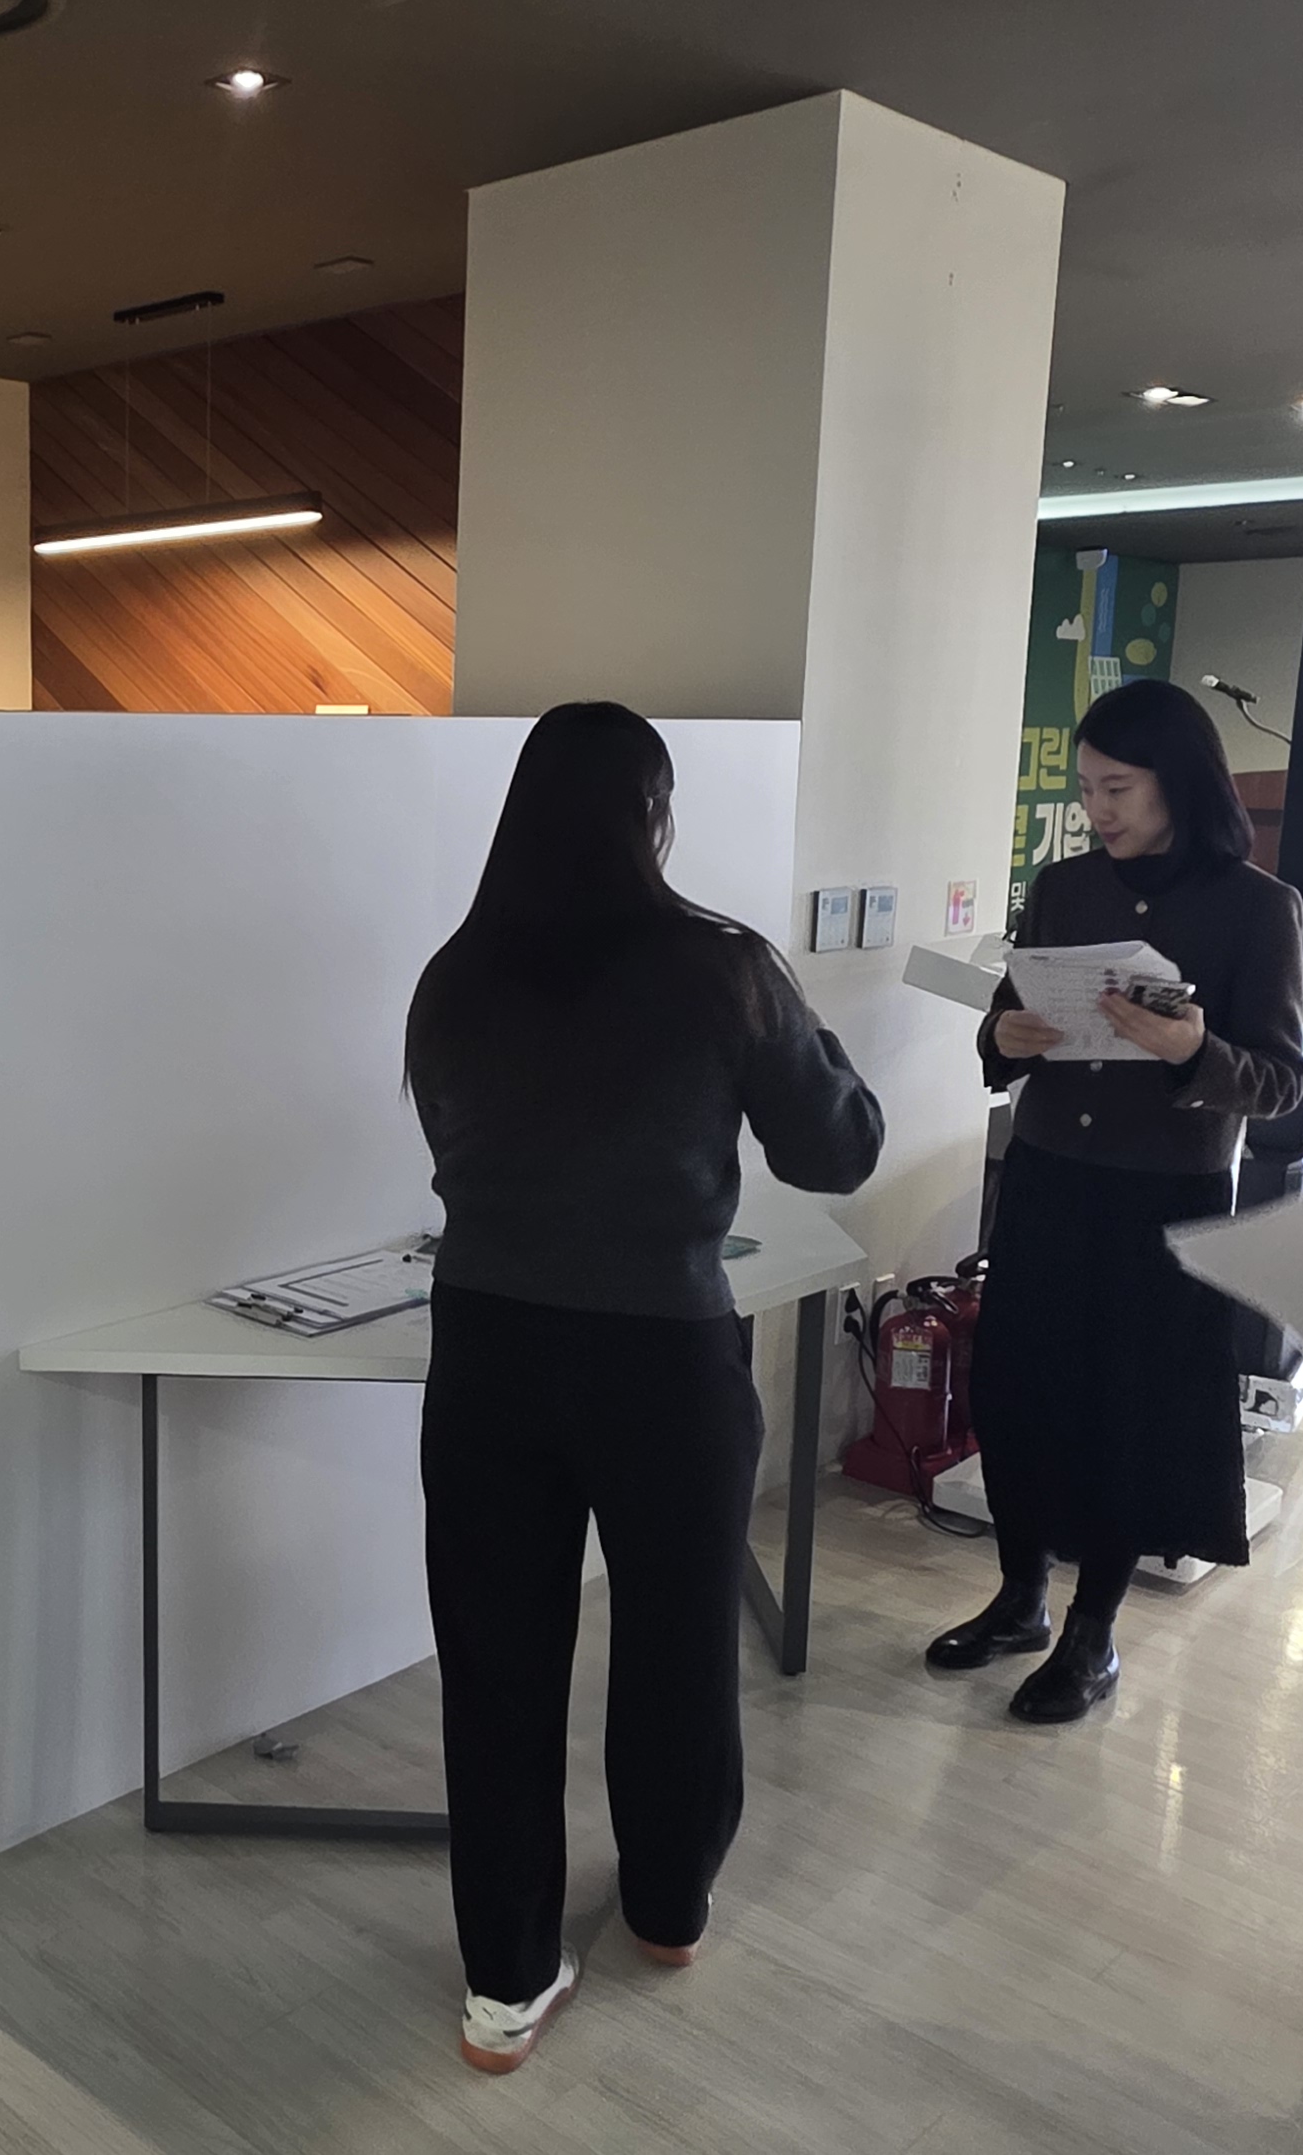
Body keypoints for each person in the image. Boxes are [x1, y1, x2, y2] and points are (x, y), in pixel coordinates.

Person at [401, 702, 884, 2077]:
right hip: (662, 1354)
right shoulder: (720, 967)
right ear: (651, 815)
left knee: (494, 1668)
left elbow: (465, 1152)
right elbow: (839, 1149)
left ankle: (505, 1983)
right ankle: (666, 1908)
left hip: (485, 1353)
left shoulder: (454, 975)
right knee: (676, 1645)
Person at [932, 678, 1303, 1722]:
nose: (1097, 809)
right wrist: (1001, 1037)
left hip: (1165, 1198)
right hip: (1050, 1174)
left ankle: (1092, 1632)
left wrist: (1193, 1048)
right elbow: (1011, 1014)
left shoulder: (1255, 907)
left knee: (1126, 1414)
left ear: (1178, 781)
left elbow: (1280, 1079)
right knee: (1019, 1391)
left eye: (1118, 788)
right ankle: (1019, 1596)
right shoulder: (1064, 887)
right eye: (1087, 788)